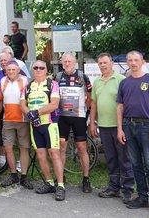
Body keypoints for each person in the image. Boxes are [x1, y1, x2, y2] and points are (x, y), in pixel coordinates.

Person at [117, 51, 149, 217]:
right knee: (136, 165)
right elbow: (120, 107)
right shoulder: (124, 83)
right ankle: (142, 197)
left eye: (136, 60)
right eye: (130, 60)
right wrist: (120, 129)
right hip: (128, 126)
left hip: (146, 127)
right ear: (127, 62)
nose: (133, 62)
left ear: (142, 62)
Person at [90, 52, 133, 203]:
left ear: (112, 63)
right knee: (111, 158)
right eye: (100, 63)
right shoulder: (97, 82)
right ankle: (114, 188)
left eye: (105, 62)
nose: (103, 65)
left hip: (119, 127)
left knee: (124, 159)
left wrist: (124, 125)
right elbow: (93, 103)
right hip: (104, 126)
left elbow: (126, 104)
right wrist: (92, 122)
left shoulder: (121, 80)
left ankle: (127, 190)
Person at [20, 60, 65, 201]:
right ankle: (49, 182)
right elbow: (22, 104)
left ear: (46, 70)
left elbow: (54, 104)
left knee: (54, 153)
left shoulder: (53, 84)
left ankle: (61, 185)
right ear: (32, 70)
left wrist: (36, 113)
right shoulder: (28, 86)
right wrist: (30, 114)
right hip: (35, 125)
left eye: (41, 67)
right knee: (40, 155)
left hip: (49, 124)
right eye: (36, 68)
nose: (38, 70)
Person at [56, 52, 93, 193]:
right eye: (65, 61)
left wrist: (87, 108)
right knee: (61, 147)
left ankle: (86, 179)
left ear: (75, 62)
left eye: (69, 61)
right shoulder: (58, 77)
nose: (67, 64)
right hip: (62, 117)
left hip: (79, 116)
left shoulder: (82, 76)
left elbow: (90, 93)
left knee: (82, 147)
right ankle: (61, 177)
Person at [0, 60, 34, 189]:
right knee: (8, 147)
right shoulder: (2, 81)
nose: (11, 72)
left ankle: (24, 176)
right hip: (7, 119)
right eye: (9, 70)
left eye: (14, 69)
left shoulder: (26, 81)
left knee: (24, 148)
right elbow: (0, 101)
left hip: (23, 120)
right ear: (5, 71)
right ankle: (13, 175)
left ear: (18, 70)